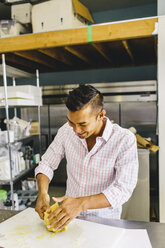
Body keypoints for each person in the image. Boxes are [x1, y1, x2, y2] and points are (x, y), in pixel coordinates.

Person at [35, 84, 138, 232]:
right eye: (71, 122)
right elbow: (47, 164)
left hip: (105, 223)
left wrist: (81, 204)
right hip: (69, 221)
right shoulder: (66, 131)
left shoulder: (124, 139)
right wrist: (43, 193)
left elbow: (122, 189)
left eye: (83, 124)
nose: (76, 130)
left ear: (101, 115)